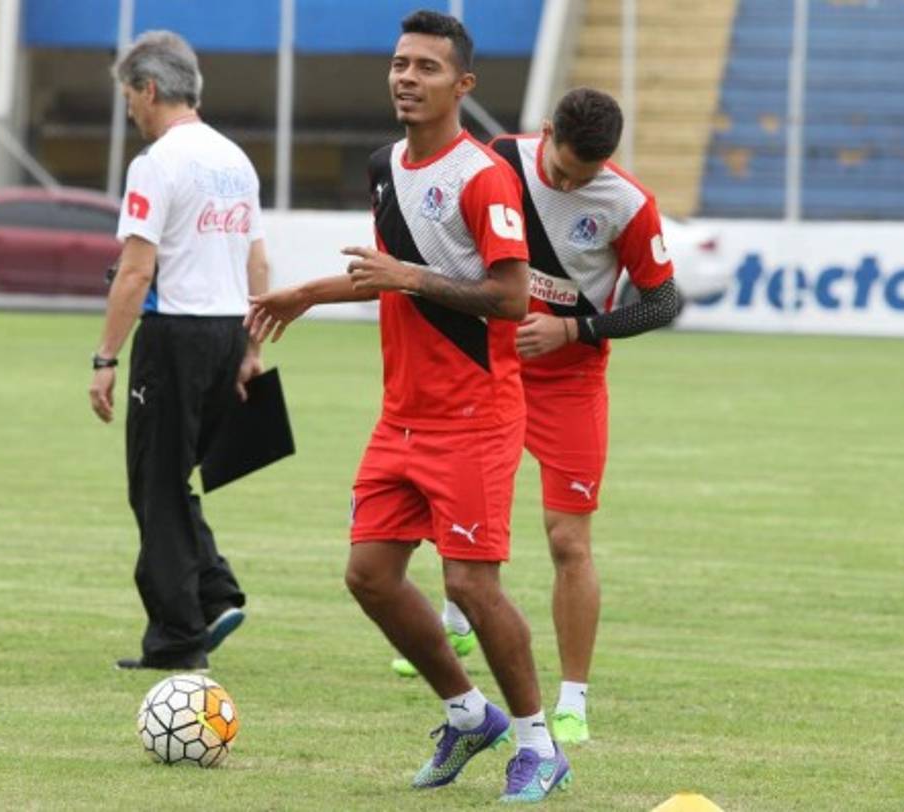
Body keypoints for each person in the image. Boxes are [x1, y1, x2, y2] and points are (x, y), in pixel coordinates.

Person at [246, 10, 572, 804]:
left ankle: (540, 744)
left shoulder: (484, 177)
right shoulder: (384, 165)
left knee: (471, 587)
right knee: (369, 575)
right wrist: (307, 293)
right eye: (400, 64)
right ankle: (468, 714)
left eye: (427, 67)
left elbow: (510, 297)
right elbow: (390, 272)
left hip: (475, 415)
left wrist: (408, 279)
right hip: (401, 415)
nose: (406, 77)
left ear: (463, 85)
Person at [393, 88, 680, 746]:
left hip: (571, 383)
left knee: (567, 541)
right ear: (545, 132)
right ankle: (455, 623)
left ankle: (573, 700)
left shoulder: (628, 204)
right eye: (562, 171)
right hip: (490, 368)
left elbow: (663, 302)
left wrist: (575, 330)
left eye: (585, 177)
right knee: (453, 505)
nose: (570, 185)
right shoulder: (497, 161)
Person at [88, 30, 268, 672]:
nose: (130, 111)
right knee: (171, 478)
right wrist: (251, 347)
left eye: (128, 98)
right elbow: (257, 259)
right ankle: (213, 593)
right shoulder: (235, 160)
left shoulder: (156, 162)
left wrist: (106, 357)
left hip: (175, 335)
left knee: (154, 483)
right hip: (227, 331)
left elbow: (137, 269)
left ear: (149, 89)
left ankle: (178, 635)